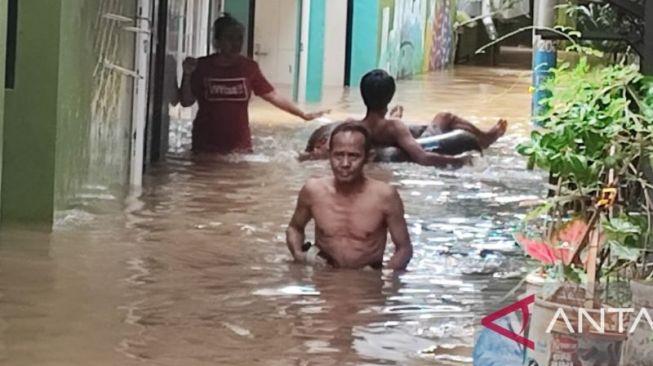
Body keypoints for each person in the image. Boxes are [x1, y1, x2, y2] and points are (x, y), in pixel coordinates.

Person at [179, 14, 327, 154]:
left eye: (239, 38)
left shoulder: (249, 68)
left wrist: (302, 114)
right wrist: (187, 74)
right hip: (205, 147)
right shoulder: (201, 66)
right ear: (217, 41)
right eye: (229, 38)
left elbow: (272, 95)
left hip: (240, 147)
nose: (235, 43)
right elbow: (186, 102)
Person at [300, 69, 508, 167]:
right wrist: (460, 160)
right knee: (444, 117)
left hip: (382, 128)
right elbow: (423, 157)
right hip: (403, 139)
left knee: (400, 121)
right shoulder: (395, 128)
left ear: (363, 95)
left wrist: (306, 156)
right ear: (390, 95)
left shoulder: (352, 126)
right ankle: (485, 137)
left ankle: (393, 113)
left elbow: (326, 148)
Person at [286, 122, 413, 270]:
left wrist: (385, 276)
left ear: (368, 157)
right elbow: (294, 228)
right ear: (329, 154)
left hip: (367, 282)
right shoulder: (313, 191)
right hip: (325, 280)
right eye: (338, 155)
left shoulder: (385, 196)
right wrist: (300, 255)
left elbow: (404, 248)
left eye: (353, 156)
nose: (345, 163)